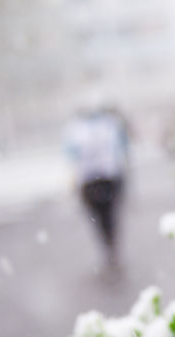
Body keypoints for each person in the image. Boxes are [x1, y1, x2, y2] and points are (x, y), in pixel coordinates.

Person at [65, 102, 130, 269]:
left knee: (97, 216)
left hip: (88, 180)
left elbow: (70, 155)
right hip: (109, 176)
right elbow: (123, 146)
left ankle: (107, 245)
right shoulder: (110, 124)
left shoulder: (75, 129)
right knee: (110, 214)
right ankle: (111, 244)